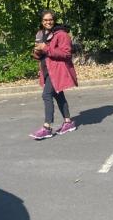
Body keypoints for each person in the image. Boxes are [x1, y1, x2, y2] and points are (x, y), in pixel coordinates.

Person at [29, 10, 77, 140]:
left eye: (50, 19)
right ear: (42, 21)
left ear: (54, 20)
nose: (48, 22)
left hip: (56, 71)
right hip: (46, 69)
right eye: (45, 20)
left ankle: (47, 127)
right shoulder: (41, 34)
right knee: (58, 94)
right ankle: (68, 122)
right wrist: (36, 52)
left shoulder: (62, 34)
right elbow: (41, 54)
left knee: (46, 95)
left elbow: (66, 54)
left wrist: (45, 48)